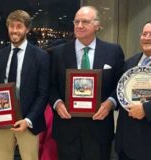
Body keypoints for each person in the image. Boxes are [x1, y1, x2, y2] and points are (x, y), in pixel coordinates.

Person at [49, 6, 124, 160]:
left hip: (100, 128)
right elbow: (50, 85)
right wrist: (57, 103)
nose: (79, 26)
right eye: (76, 22)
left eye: (85, 22)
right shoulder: (57, 52)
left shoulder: (113, 51)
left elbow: (120, 84)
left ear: (97, 25)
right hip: (66, 128)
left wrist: (110, 103)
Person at [0, 10, 50, 160]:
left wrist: (28, 120)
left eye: (19, 26)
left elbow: (43, 93)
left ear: (27, 29)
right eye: (11, 26)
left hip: (28, 122)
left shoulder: (41, 56)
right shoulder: (0, 55)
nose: (14, 30)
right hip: (2, 121)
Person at [115, 19, 151, 160]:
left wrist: (146, 109)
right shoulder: (130, 62)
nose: (147, 38)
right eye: (144, 34)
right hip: (126, 145)